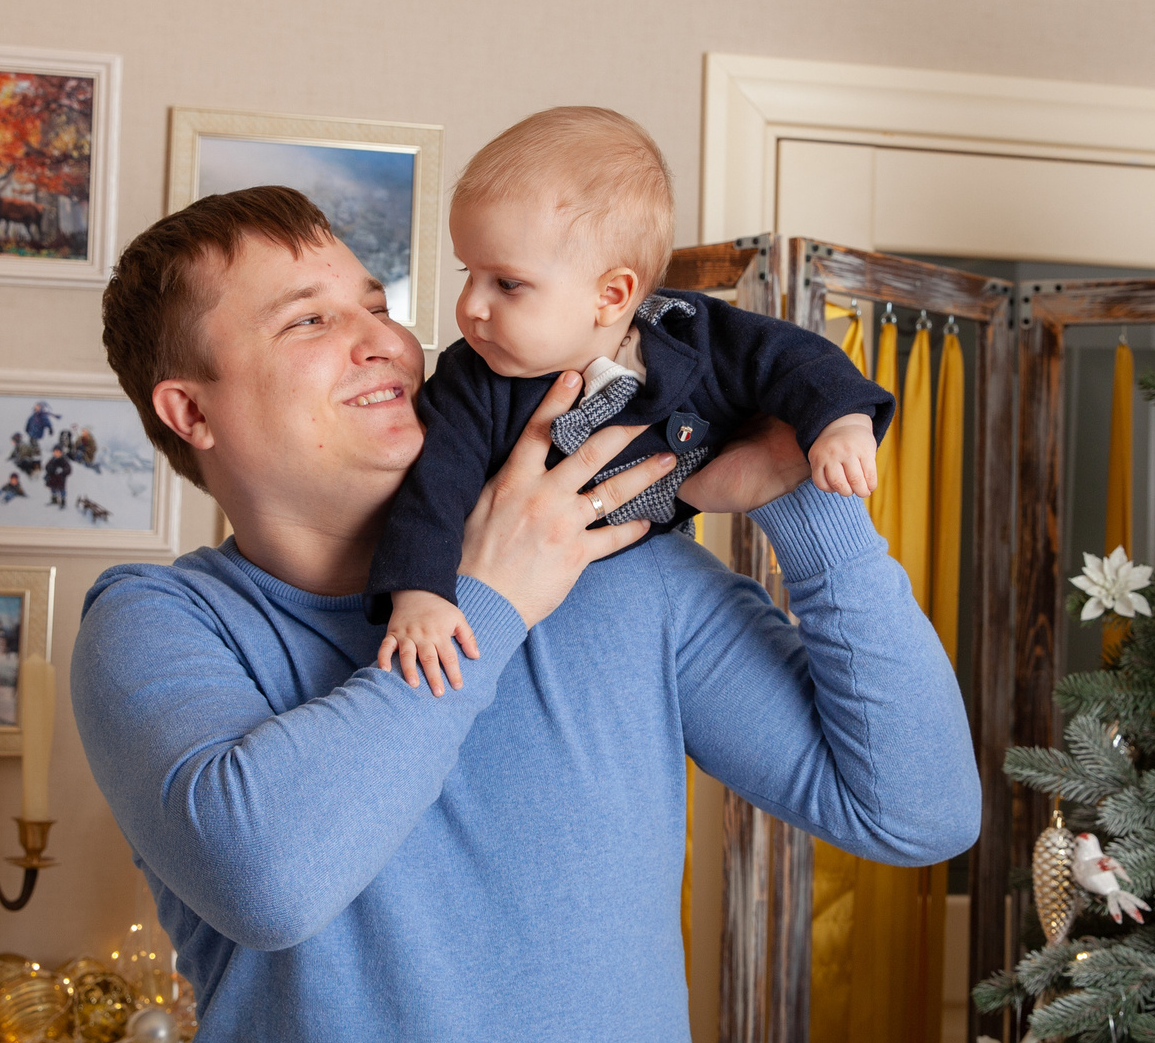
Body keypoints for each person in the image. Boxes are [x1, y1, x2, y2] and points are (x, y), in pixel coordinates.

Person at [71, 185, 977, 1043]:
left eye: (377, 302)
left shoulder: (620, 574)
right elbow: (270, 878)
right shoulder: (160, 624)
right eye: (308, 320)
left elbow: (917, 810)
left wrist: (805, 505)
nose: (388, 342)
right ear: (191, 412)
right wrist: (490, 597)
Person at [369, 106, 890, 691]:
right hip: (513, 615)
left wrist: (842, 424)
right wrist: (419, 596)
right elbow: (433, 491)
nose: (471, 306)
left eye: (507, 284)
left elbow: (796, 360)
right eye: (469, 274)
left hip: (648, 589)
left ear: (611, 296)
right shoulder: (471, 381)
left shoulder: (689, 333)